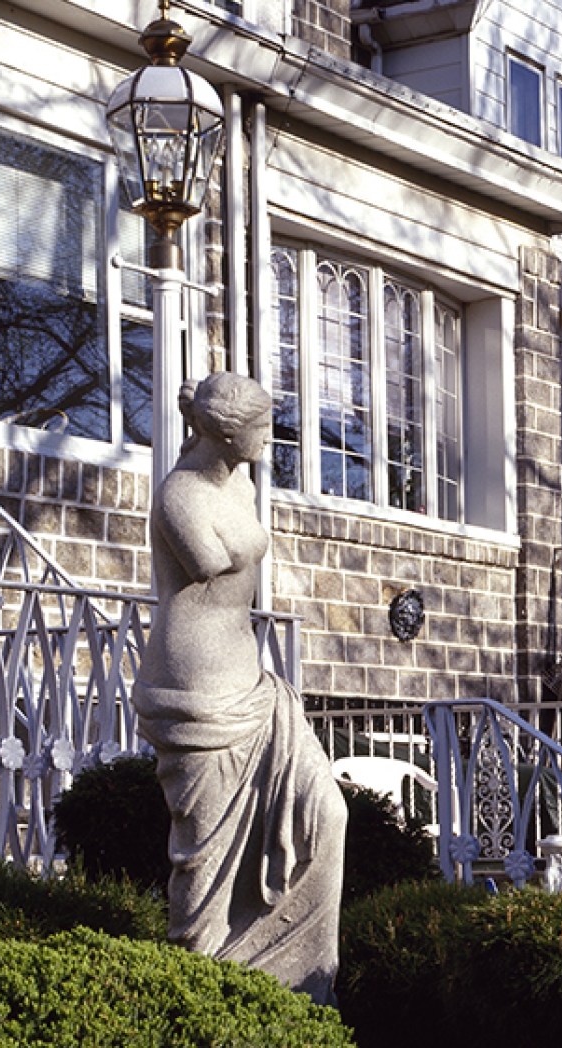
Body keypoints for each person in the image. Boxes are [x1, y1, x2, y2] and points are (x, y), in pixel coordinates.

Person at [133, 371, 346, 1003]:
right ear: (226, 434)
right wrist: (244, 526)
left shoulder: (241, 482)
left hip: (252, 681)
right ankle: (200, 1001)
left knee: (327, 813)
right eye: (259, 428)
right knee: (205, 873)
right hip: (193, 688)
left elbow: (240, 547)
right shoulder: (180, 495)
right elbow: (210, 562)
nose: (268, 440)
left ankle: (301, 983)